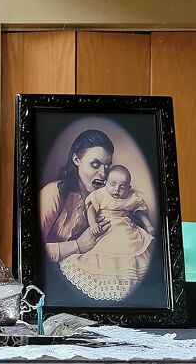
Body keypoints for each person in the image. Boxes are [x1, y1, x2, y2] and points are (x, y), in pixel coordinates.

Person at [59, 165, 155, 300]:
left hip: (125, 227)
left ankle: (125, 278)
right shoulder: (101, 194)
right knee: (104, 251)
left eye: (122, 187)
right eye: (113, 184)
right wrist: (93, 224)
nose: (117, 189)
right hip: (106, 227)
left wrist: (148, 225)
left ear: (129, 188)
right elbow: (91, 210)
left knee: (130, 246)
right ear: (106, 183)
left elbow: (139, 211)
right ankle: (107, 279)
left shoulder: (132, 196)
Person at [40, 129, 115, 263]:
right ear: (76, 160)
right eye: (95, 164)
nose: (103, 174)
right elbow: (30, 247)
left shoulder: (103, 199)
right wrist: (77, 245)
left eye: (107, 166)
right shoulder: (54, 192)